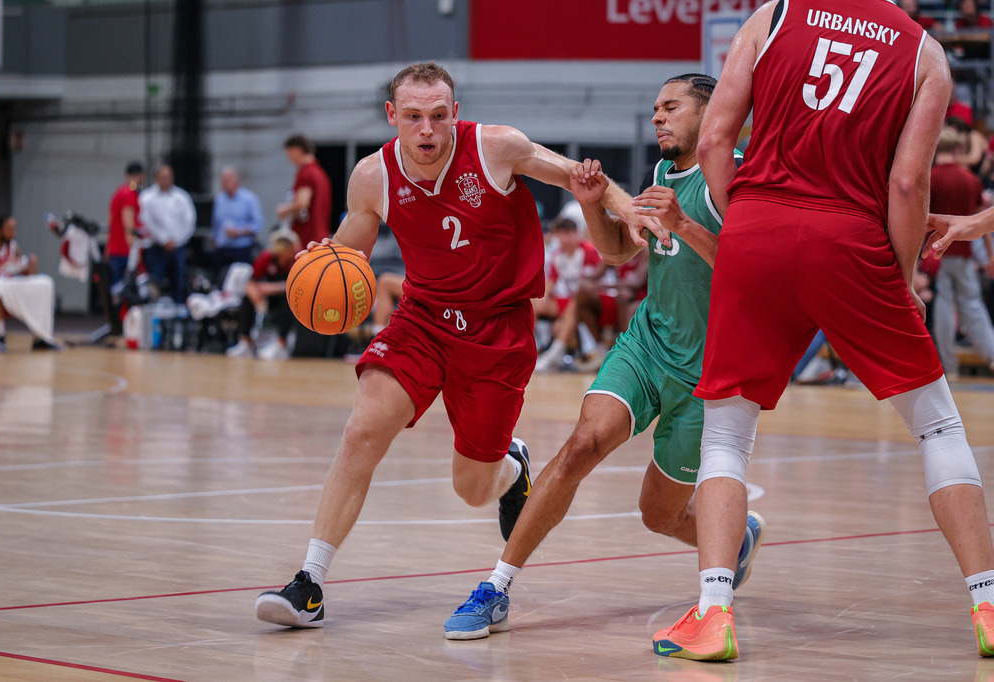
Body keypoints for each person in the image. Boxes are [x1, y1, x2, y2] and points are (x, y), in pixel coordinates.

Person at [253, 61, 667, 629]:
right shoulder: (373, 176)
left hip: (497, 330)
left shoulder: (496, 148)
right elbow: (350, 251)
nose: (427, 130)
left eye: (439, 116)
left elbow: (580, 177)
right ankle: (310, 583)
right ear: (393, 116)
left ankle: (510, 468)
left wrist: (625, 207)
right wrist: (319, 264)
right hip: (422, 321)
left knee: (472, 488)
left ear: (455, 112)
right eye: (415, 117)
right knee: (362, 431)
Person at [654, 0, 994, 661]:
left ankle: (714, 612)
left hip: (756, 228)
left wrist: (748, 217)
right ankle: (988, 602)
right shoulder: (925, 52)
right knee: (938, 425)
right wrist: (899, 281)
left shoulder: (774, 15)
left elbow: (716, 139)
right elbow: (904, 181)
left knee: (727, 433)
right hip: (851, 238)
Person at [442, 74, 763, 641]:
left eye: (672, 107)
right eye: (655, 108)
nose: (659, 117)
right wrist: (594, 206)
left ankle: (735, 536)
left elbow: (754, 269)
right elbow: (621, 252)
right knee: (579, 447)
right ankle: (496, 587)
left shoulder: (742, 174)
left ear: (711, 113)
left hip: (710, 373)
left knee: (658, 514)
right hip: (648, 344)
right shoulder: (659, 172)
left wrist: (683, 225)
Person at [930, 126, 994, 379]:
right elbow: (984, 223)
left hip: (937, 253)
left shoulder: (930, 177)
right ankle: (991, 356)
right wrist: (989, 256)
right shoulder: (970, 179)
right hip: (966, 253)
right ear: (957, 149)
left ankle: (949, 367)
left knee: (944, 308)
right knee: (973, 306)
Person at [0, 215, 60, 351]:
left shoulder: (13, 247)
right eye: (10, 229)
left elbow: (28, 277)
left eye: (15, 229)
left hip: (6, 291)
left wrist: (29, 264)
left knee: (45, 283)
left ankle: (41, 337)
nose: (14, 233)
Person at [532, 216, 605, 372]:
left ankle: (552, 355)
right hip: (571, 301)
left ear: (574, 234)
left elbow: (588, 287)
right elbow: (551, 282)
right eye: (559, 235)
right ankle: (527, 349)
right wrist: (543, 297)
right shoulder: (558, 255)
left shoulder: (588, 251)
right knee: (533, 301)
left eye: (565, 234)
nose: (562, 239)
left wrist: (562, 318)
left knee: (576, 301)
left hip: (593, 299)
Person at [225, 228, 299, 361]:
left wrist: (270, 288)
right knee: (247, 300)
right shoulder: (266, 257)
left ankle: (281, 345)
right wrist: (255, 296)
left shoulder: (297, 260)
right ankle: (246, 343)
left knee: (290, 303)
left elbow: (297, 285)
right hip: (265, 299)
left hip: (285, 297)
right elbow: (250, 282)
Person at [138, 165, 196, 304]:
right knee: (155, 283)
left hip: (177, 246)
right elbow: (146, 221)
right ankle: (154, 314)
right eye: (163, 177)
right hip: (156, 247)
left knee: (179, 282)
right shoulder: (147, 197)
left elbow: (190, 221)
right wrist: (163, 239)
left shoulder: (181, 197)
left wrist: (176, 240)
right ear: (157, 178)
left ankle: (179, 314)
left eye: (168, 177)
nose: (166, 180)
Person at [276, 135, 332, 247]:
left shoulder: (306, 173)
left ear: (298, 151)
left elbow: (302, 203)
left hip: (307, 238)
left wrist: (284, 210)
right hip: (320, 235)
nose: (288, 158)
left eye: (289, 153)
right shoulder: (319, 173)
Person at [210, 166, 263, 282]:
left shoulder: (249, 199)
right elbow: (215, 224)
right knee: (220, 280)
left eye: (227, 180)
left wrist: (239, 232)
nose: (224, 184)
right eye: (223, 181)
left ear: (236, 181)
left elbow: (257, 224)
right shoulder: (219, 200)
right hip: (222, 248)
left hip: (241, 248)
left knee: (239, 282)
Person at [107, 160, 144, 286]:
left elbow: (111, 220)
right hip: (124, 250)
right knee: (126, 288)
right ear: (140, 175)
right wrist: (134, 249)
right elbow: (128, 224)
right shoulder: (129, 194)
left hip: (116, 248)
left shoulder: (121, 191)